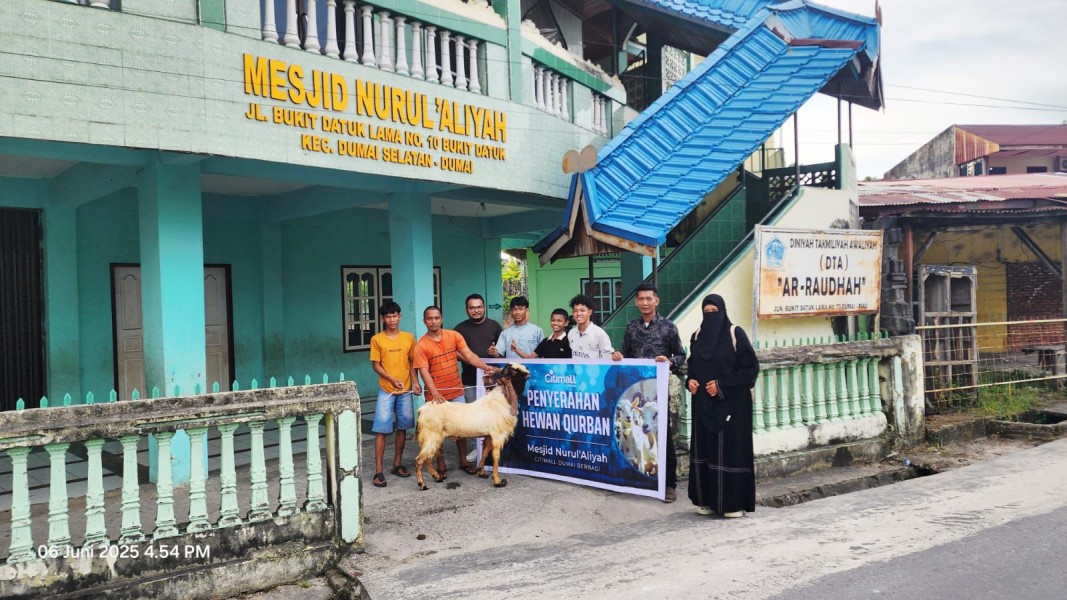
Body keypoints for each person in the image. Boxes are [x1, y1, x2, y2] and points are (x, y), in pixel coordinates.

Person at [686, 294, 760, 518]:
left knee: (730, 450)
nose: (711, 316)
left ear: (723, 311)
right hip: (703, 404)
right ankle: (705, 500)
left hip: (732, 404)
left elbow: (750, 369)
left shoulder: (735, 333)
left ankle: (732, 503)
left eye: (714, 311)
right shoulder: (696, 336)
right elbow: (692, 365)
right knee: (705, 449)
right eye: (706, 312)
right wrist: (690, 381)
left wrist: (721, 386)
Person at [617, 283, 686, 503]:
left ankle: (669, 484)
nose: (645, 303)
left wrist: (670, 361)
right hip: (636, 392)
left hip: (659, 394)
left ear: (656, 300)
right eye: (641, 299)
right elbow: (625, 355)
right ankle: (638, 477)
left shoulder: (668, 328)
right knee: (635, 434)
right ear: (636, 302)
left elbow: (681, 355)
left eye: (649, 299)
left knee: (663, 436)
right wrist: (618, 356)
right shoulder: (631, 328)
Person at [415, 305, 498, 476]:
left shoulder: (453, 336)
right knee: (437, 432)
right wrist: (435, 393)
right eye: (430, 318)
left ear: (441, 319)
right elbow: (424, 373)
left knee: (461, 429)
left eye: (436, 318)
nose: (433, 321)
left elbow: (469, 355)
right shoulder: (421, 345)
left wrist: (485, 367)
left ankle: (463, 460)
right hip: (435, 397)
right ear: (424, 321)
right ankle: (441, 463)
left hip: (456, 391)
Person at [368, 302, 422, 488]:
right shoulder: (377, 339)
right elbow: (376, 365)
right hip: (386, 391)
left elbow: (412, 363)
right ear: (383, 319)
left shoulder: (408, 338)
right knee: (381, 430)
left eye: (394, 316)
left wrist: (415, 383)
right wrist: (391, 379)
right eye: (388, 317)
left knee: (403, 428)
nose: (391, 320)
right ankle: (378, 471)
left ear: (400, 317)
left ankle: (397, 464)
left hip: (405, 391)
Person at [454, 293, 503, 463]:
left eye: (479, 307)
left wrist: (495, 354)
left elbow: (501, 352)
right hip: (469, 379)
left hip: (492, 381)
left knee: (493, 414)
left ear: (483, 307)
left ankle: (492, 448)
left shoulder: (495, 326)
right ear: (467, 310)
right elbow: (455, 353)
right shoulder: (459, 329)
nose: (476, 310)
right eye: (472, 308)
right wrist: (470, 359)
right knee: (473, 415)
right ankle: (477, 448)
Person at [567, 294, 620, 360]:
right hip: (576, 370)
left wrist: (615, 355)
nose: (578, 314)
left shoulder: (599, 333)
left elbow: (608, 356)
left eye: (582, 310)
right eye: (575, 311)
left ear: (589, 312)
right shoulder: (571, 333)